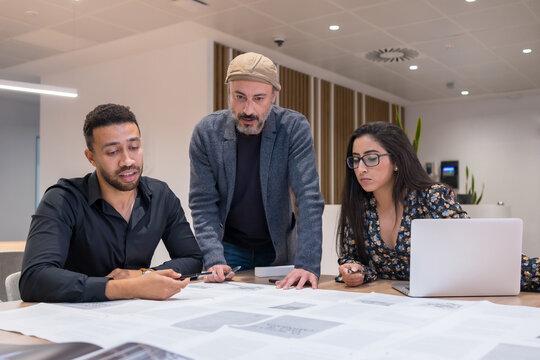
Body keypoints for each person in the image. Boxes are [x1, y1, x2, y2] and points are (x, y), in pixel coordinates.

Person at [20, 104, 203, 302]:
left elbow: (192, 259)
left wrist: (143, 275)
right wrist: (127, 287)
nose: (127, 161)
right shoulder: (63, 200)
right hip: (75, 316)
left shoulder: (161, 196)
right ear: (91, 158)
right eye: (113, 152)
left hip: (137, 315)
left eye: (134, 147)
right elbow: (34, 278)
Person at [337, 122, 540, 291]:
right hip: (389, 302)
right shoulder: (360, 208)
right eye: (355, 160)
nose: (361, 168)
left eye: (371, 158)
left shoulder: (431, 197)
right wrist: (356, 271)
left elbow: (480, 252)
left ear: (397, 161)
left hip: (446, 299)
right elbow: (353, 259)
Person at [189, 52, 324, 290]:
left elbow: (308, 198)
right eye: (239, 97)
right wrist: (213, 258)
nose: (248, 109)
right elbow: (203, 203)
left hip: (278, 247)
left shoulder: (293, 128)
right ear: (229, 92)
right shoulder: (206, 132)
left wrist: (308, 264)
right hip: (228, 249)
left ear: (273, 96)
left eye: (259, 98)